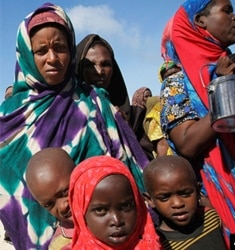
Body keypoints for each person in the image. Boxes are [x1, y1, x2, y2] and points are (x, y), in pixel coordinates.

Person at [0, 3, 148, 249]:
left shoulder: (95, 102)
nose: (52, 58)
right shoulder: (9, 118)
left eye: (60, 48)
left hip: (109, 236)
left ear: (70, 50)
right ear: (26, 54)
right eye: (41, 51)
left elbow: (129, 166)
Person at [160, 0, 235, 247]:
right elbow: (187, 144)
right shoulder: (178, 82)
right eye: (227, 11)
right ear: (200, 21)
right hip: (226, 196)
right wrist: (224, 90)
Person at [69, 155, 161, 249]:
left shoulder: (154, 245)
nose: (117, 221)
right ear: (80, 214)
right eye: (100, 210)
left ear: (138, 204)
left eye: (125, 206)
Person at [143, 155, 227, 250]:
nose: (178, 203)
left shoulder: (213, 218)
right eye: (165, 198)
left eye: (185, 193)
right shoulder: (158, 244)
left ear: (198, 191)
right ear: (150, 200)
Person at [26, 147, 74, 250]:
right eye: (49, 204)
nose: (62, 207)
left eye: (65, 192)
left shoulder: (111, 200)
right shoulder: (62, 245)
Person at [75, 34, 131, 121]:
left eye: (105, 64)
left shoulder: (131, 117)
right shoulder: (64, 112)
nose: (99, 71)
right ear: (78, 69)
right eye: (89, 65)